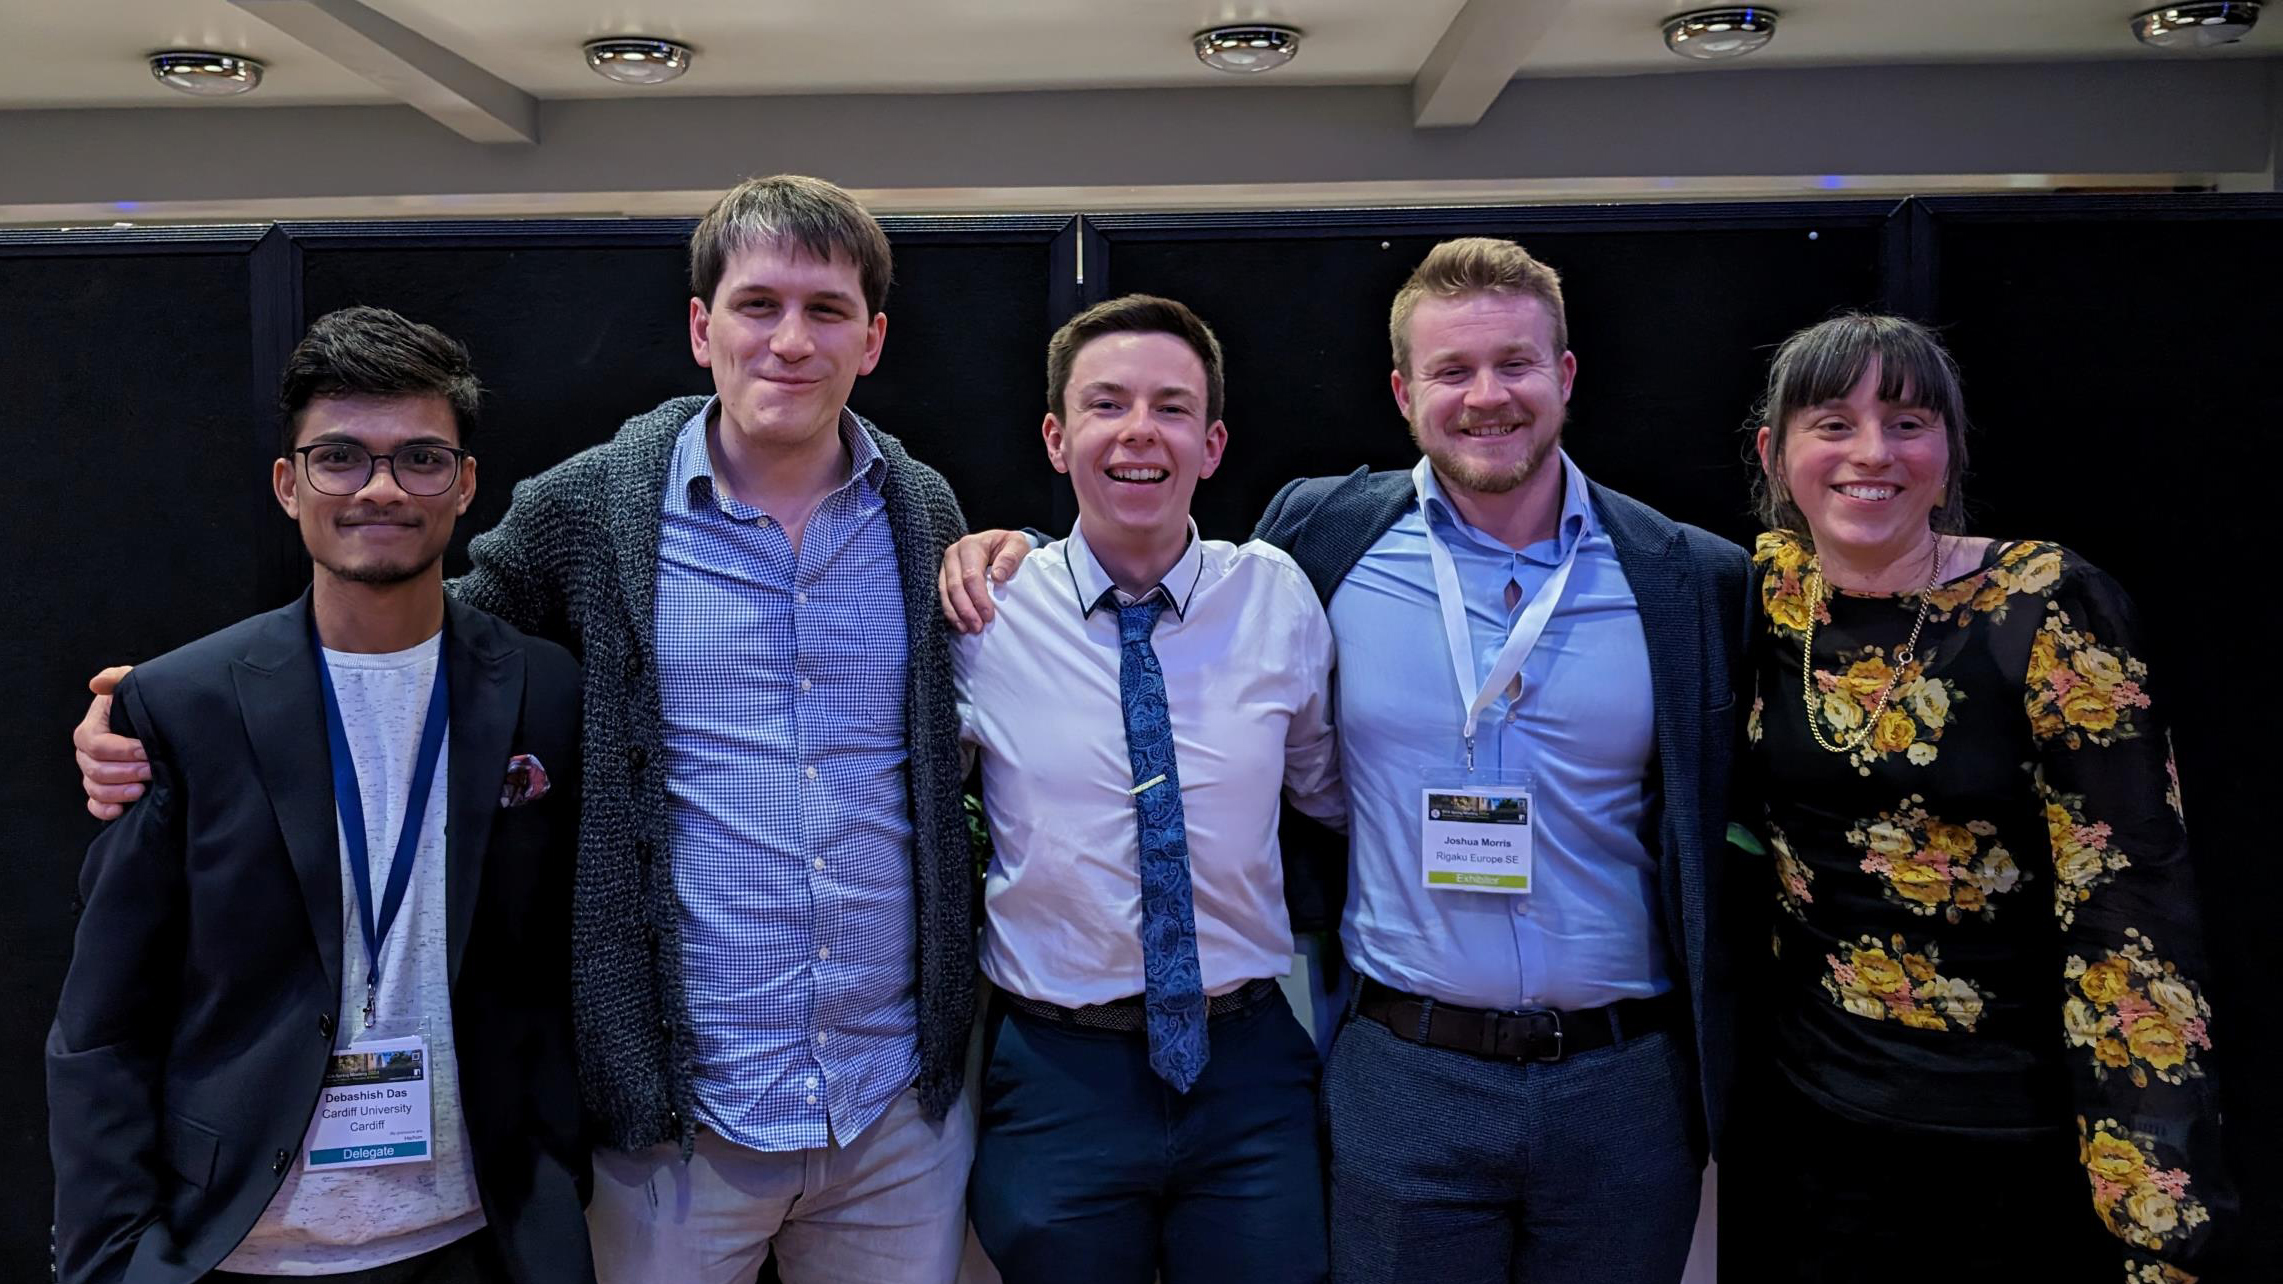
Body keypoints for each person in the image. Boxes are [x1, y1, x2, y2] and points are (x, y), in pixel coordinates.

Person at [73, 175, 976, 1284]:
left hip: (889, 1108)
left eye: (826, 310)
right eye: (757, 304)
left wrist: (1018, 545)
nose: (790, 339)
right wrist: (161, 712)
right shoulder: (590, 510)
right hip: (674, 1119)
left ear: (873, 338)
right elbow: (419, 637)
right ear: (702, 327)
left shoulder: (922, 509)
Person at [943, 237, 1747, 1283]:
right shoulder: (1307, 549)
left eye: (1515, 364)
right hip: (1351, 1069)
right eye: (1453, 371)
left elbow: (1324, 786)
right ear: (1404, 393)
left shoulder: (1682, 578)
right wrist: (978, 545)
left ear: (1567, 376)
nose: (1486, 395)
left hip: (1608, 1072)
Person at [47, 306, 591, 1284]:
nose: (380, 487)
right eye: (340, 457)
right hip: (237, 1242)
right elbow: (102, 1024)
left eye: (420, 459)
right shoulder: (182, 704)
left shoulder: (547, 693)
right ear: (286, 484)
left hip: (480, 1234)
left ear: (465, 486)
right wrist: (110, 1260)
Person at [1739, 312, 2234, 1281]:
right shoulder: (1757, 593)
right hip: (1813, 1122)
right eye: (1832, 424)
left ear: (1949, 449)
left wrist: (2156, 1210)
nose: (1871, 453)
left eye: (1909, 422)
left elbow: (2132, 912)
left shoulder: (2046, 606)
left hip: (2010, 1135)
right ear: (1775, 450)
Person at [954, 295, 1340, 1284]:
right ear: (1056, 436)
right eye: (1106, 404)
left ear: (1211, 445)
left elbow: (1331, 795)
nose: (1138, 432)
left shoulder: (1277, 596)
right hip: (1057, 1074)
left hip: (1247, 1065)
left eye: (1171, 408)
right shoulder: (983, 611)